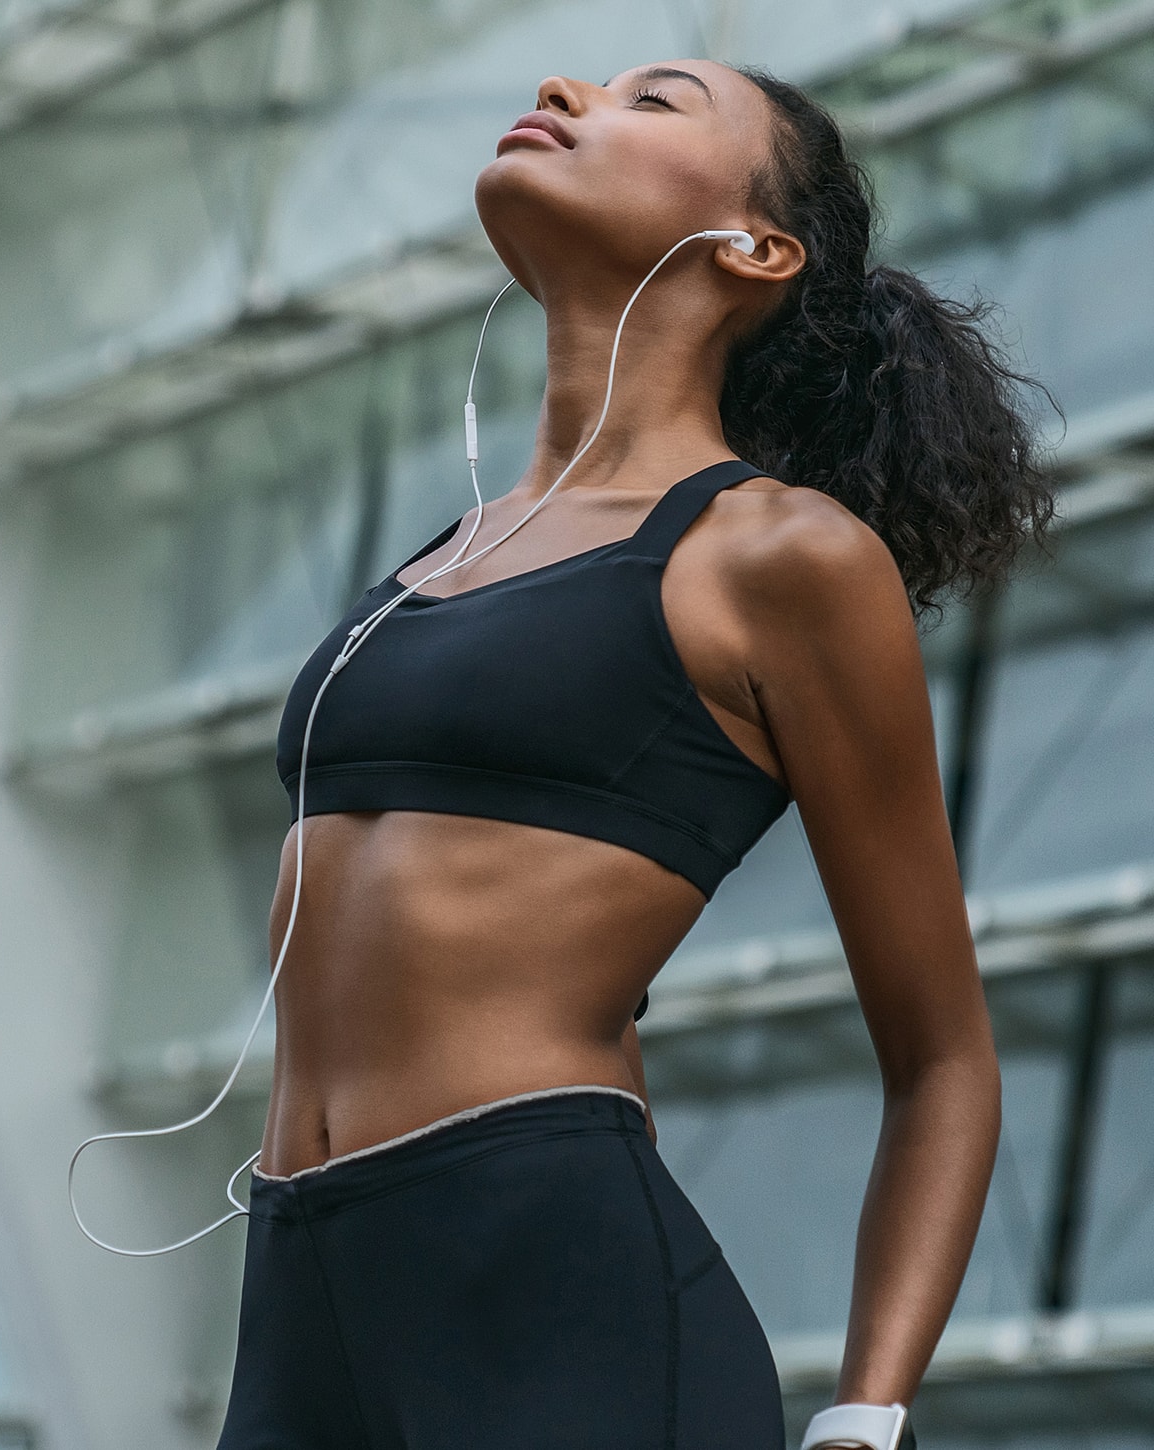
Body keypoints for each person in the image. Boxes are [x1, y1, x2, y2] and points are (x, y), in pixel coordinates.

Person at [216, 58, 1059, 1450]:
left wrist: (866, 1414)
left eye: (653, 100)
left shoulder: (779, 557)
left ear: (753, 248)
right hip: (299, 1287)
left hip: (552, 1294)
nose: (565, 84)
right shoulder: (440, 555)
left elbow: (944, 1055)